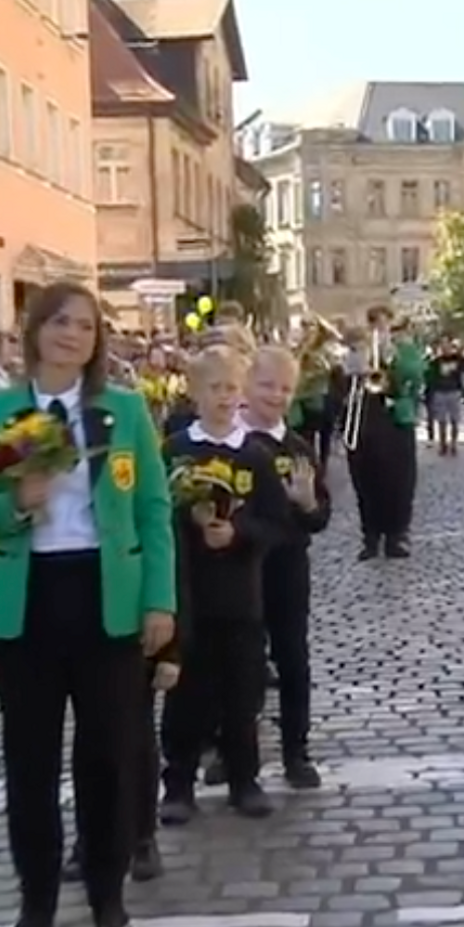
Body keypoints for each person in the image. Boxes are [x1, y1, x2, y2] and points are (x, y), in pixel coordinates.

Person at [0, 281, 177, 927]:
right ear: (34, 330)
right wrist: (17, 501)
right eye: (59, 322)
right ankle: (37, 901)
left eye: (84, 324)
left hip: (105, 592)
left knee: (107, 756)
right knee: (30, 759)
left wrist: (160, 599)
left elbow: (154, 512)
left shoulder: (124, 411)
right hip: (29, 599)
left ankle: (107, 894)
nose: (71, 335)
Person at [157, 347, 291, 822]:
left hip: (240, 595)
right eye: (214, 389)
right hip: (187, 591)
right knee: (185, 693)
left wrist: (240, 533)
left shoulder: (253, 456)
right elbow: (155, 517)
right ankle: (178, 783)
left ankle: (244, 779)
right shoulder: (176, 450)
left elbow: (278, 523)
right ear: (194, 393)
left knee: (241, 691)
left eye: (231, 388)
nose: (223, 398)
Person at [243, 346, 333, 787]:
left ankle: (296, 751)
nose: (275, 396)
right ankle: (234, 747)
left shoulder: (298, 447)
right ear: (246, 385)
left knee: (293, 658)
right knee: (241, 662)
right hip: (237, 570)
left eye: (284, 388)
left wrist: (308, 502)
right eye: (266, 386)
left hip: (287, 569)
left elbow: (320, 517)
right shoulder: (233, 443)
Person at [347, 308, 426, 560]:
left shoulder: (405, 348)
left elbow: (416, 373)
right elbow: (343, 381)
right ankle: (370, 537)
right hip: (366, 420)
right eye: (374, 322)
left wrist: (395, 357)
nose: (380, 328)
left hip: (397, 420)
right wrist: (358, 364)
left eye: (384, 323)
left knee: (399, 481)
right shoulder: (359, 349)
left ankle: (397, 535)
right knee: (366, 481)